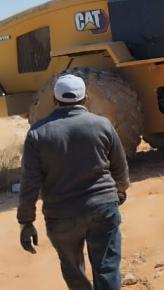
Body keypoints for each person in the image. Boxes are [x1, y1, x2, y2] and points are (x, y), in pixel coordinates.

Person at [17, 74, 129, 290]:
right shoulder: (103, 125)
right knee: (107, 268)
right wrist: (120, 191)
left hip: (61, 216)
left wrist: (26, 222)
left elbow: (29, 183)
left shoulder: (38, 133)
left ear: (54, 100)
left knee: (72, 269)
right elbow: (119, 167)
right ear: (85, 98)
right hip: (102, 208)